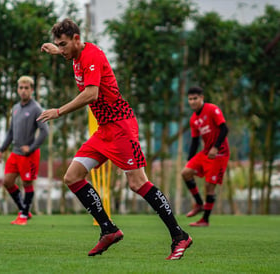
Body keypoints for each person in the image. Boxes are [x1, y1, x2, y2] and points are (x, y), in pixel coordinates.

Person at [38, 18, 192, 260]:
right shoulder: (75, 54)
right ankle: (108, 229)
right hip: (104, 131)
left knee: (138, 183)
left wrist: (58, 111)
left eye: (64, 44)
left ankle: (179, 235)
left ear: (77, 39)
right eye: (60, 45)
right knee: (72, 176)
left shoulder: (91, 57)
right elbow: (69, 53)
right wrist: (56, 49)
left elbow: (91, 93)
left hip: (121, 126)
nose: (63, 49)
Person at [0, 76, 49, 226]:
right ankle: (24, 209)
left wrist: (31, 148)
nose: (23, 91)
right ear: (18, 89)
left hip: (30, 154)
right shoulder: (16, 108)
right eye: (21, 88)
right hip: (15, 152)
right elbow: (11, 132)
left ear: (32, 90)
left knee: (27, 183)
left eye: (27, 88)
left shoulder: (36, 109)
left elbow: (44, 131)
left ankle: (24, 216)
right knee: (7, 182)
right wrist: (1, 150)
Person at [181, 86, 229, 227]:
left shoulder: (212, 109)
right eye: (190, 99)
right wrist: (190, 159)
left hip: (219, 153)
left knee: (209, 186)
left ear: (202, 98)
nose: (192, 101)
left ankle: (205, 220)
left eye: (195, 98)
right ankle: (199, 204)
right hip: (206, 152)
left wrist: (215, 147)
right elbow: (195, 141)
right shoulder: (193, 119)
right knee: (186, 173)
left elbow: (224, 129)